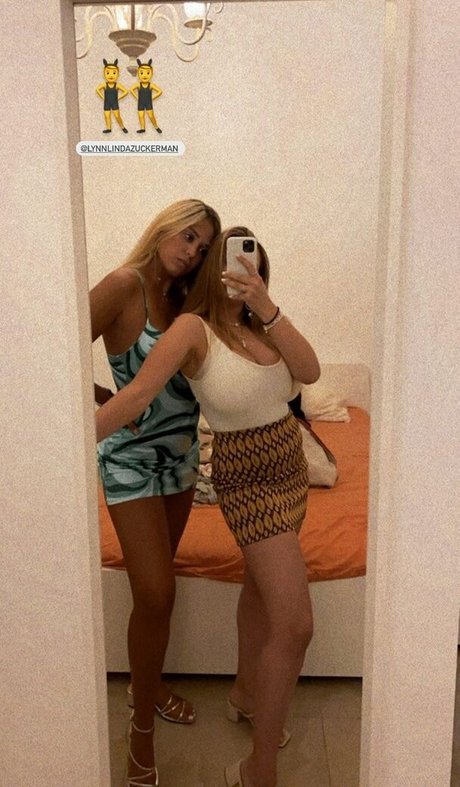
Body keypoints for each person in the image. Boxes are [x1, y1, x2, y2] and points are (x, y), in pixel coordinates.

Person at [95, 226, 320, 787]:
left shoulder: (263, 326)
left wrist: (266, 306)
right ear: (211, 270)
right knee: (295, 625)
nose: (243, 270)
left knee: (259, 590)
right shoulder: (194, 329)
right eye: (231, 260)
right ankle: (257, 768)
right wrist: (69, 434)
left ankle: (244, 693)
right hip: (249, 478)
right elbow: (137, 393)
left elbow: (311, 372)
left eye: (254, 263)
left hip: (290, 465)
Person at [90, 199, 221, 787]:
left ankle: (150, 684)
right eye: (188, 236)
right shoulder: (125, 286)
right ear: (166, 226)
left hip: (182, 462)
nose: (192, 251)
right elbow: (54, 352)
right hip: (130, 462)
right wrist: (100, 401)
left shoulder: (190, 300)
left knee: (156, 596)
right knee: (156, 590)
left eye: (202, 246)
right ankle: (140, 731)